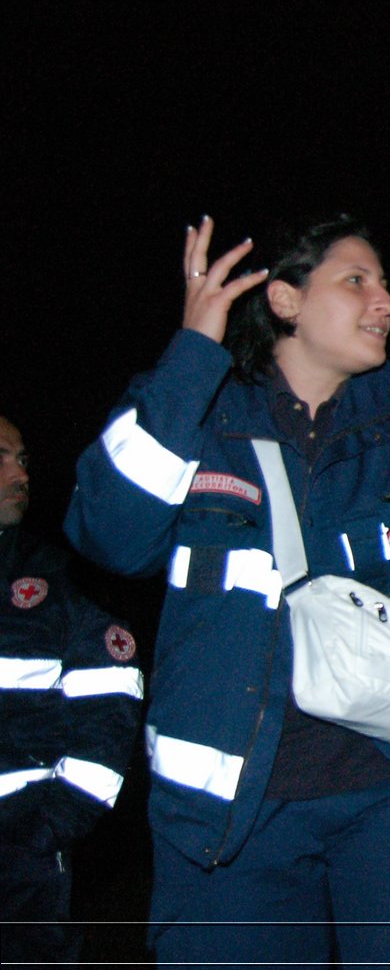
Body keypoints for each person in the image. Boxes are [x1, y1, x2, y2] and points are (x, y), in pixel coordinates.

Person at [65, 215, 390, 968]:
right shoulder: (200, 403)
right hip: (232, 807)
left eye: (384, 284)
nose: (384, 302)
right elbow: (111, 534)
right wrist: (192, 352)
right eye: (356, 281)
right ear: (284, 299)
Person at [0, 414, 143, 965]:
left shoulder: (56, 581)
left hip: (20, 865)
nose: (20, 474)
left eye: (24, 460)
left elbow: (112, 704)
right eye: (2, 458)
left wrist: (49, 826)